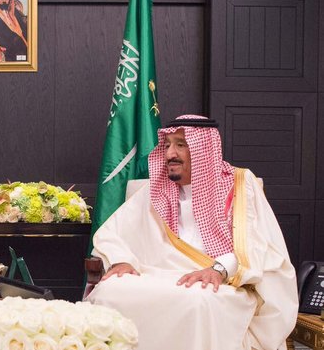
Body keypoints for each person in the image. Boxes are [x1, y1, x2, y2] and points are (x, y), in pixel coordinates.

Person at [86, 115, 298, 350]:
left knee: (197, 301)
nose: (170, 154)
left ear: (203, 148)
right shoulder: (156, 189)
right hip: (158, 275)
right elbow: (112, 233)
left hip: (223, 281)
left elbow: (258, 244)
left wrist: (219, 269)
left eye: (181, 145)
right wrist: (121, 260)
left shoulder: (239, 184)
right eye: (167, 145)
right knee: (109, 291)